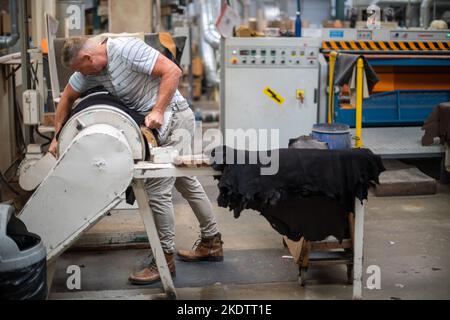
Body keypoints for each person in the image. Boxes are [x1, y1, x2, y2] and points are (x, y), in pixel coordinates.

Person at [49, 36, 224, 285]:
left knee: (157, 191)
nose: (80, 74)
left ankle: (164, 261)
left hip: (174, 119)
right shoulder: (89, 72)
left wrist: (158, 110)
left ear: (88, 58)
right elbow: (65, 99)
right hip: (151, 126)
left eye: (80, 67)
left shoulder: (125, 50)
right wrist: (57, 137)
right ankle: (212, 241)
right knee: (185, 181)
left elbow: (173, 71)